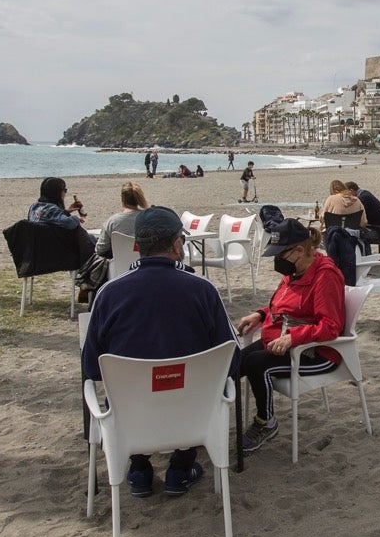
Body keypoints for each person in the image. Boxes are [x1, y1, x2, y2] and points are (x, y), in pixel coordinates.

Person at [80, 206, 238, 497]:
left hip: (131, 419)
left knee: (130, 385)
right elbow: (231, 358)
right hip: (192, 417)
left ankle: (139, 469)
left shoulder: (109, 294)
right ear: (177, 244)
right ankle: (180, 468)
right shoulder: (203, 290)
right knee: (189, 381)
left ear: (138, 246)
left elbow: (91, 367)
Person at [234, 219, 345, 452]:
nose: (277, 260)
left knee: (256, 364)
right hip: (281, 340)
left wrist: (293, 338)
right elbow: (287, 307)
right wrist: (261, 314)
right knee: (233, 363)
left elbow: (331, 326)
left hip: (317, 352)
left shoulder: (325, 276)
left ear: (300, 251)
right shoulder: (294, 271)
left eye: (281, 253)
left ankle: (267, 422)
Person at [94, 181, 149, 258]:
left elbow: (100, 250)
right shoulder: (148, 218)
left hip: (119, 265)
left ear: (122, 199)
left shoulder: (112, 221)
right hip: (145, 262)